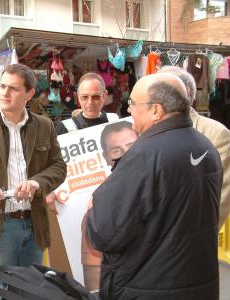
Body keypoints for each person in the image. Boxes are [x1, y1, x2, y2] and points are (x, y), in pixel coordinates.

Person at [86, 73, 222, 300]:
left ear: (156, 110)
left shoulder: (144, 155)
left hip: (148, 286)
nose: (129, 110)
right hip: (199, 284)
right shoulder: (205, 145)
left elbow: (105, 232)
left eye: (133, 104)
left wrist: (94, 207)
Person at [0, 63, 66, 268]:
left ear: (29, 94)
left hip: (34, 223)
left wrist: (36, 183)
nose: (5, 93)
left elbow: (58, 166)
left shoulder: (45, 126)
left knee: (29, 288)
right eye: (3, 86)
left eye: (14, 88)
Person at [47, 72, 120, 275]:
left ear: (105, 96)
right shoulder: (64, 128)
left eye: (96, 96)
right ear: (78, 98)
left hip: (113, 203)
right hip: (77, 204)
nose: (90, 102)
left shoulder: (116, 121)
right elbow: (54, 165)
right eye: (85, 97)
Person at [159, 66, 230, 228]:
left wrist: (198, 237)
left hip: (192, 238)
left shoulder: (216, 133)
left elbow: (222, 194)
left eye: (163, 90)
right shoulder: (144, 129)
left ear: (186, 91)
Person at [81, 120, 138, 293]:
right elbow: (94, 286)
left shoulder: (167, 186)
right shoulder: (97, 210)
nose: (126, 154)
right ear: (106, 157)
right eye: (116, 150)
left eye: (131, 145)